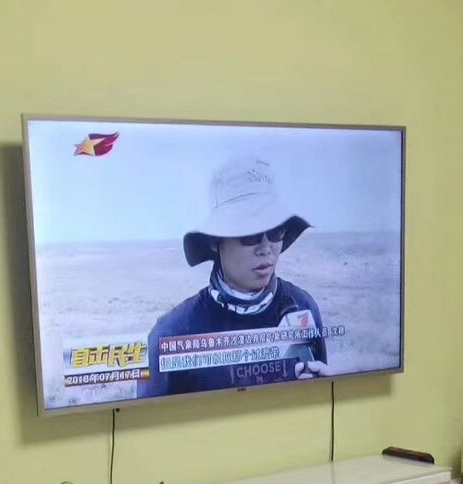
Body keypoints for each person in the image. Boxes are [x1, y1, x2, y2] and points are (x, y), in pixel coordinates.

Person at [138, 154, 327, 396]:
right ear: (215, 241)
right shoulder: (171, 335)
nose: (266, 248)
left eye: (276, 231)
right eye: (249, 234)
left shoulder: (303, 308)